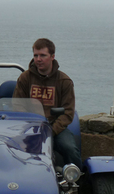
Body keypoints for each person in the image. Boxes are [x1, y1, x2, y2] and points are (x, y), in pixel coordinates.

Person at [13, 38, 82, 170]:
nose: (38, 59)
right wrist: (30, 127)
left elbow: (67, 113)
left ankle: (76, 180)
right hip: (30, 127)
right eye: (35, 55)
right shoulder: (25, 78)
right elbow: (17, 106)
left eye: (43, 55)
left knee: (70, 149)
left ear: (52, 57)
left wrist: (51, 131)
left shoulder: (64, 81)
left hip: (55, 128)